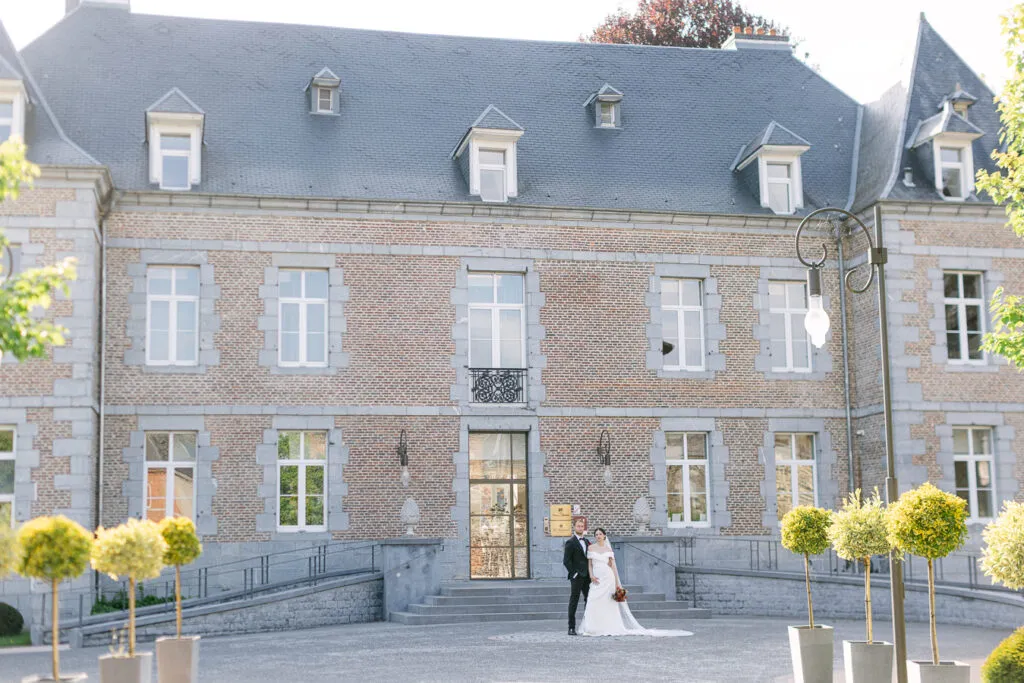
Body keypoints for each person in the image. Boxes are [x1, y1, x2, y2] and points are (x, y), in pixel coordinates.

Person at [577, 528, 693, 638]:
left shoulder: (608, 549)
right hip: (596, 578)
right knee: (593, 600)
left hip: (608, 578)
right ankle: (593, 627)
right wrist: (591, 575)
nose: (598, 536)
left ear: (604, 536)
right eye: (596, 534)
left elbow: (613, 567)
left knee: (609, 602)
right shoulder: (591, 548)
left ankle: (608, 626)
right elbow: (590, 564)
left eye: (600, 534)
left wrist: (617, 583)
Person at [562, 517, 590, 636]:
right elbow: (566, 561)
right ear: (574, 527)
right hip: (577, 576)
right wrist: (574, 573)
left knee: (589, 600)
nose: (580, 528)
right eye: (578, 526)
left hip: (588, 576)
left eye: (582, 526)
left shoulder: (587, 541)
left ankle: (587, 625)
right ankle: (571, 627)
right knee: (574, 601)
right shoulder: (570, 542)